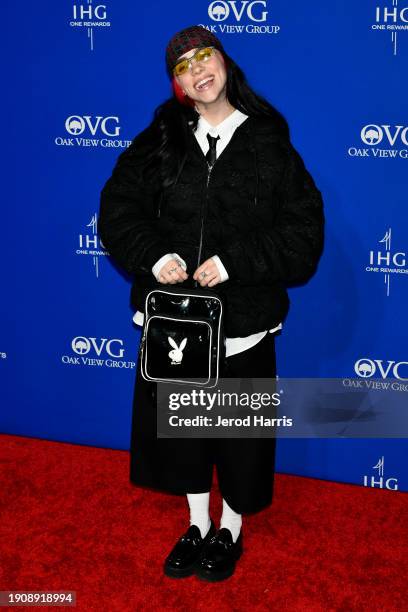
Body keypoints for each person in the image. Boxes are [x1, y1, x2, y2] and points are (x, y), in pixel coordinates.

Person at [99, 25, 324, 582]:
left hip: (242, 321)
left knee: (240, 437)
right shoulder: (160, 137)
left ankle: (231, 527)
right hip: (176, 323)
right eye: (182, 67)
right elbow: (118, 209)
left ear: (224, 62)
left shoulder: (269, 138)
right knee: (185, 432)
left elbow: (304, 233)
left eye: (205, 57)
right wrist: (153, 257)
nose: (197, 70)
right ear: (177, 84)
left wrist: (234, 262)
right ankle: (197, 523)